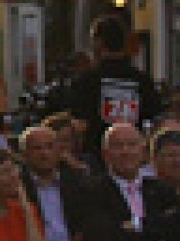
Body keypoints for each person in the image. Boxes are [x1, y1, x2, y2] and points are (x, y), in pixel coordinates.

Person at [64, 15, 162, 154]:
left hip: (97, 155)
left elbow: (79, 124)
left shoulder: (87, 80)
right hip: (133, 154)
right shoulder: (143, 80)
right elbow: (154, 119)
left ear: (98, 42)